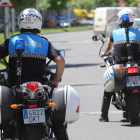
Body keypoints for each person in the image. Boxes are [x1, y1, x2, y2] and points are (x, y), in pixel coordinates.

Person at [0, 8, 68, 140]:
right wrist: (56, 80)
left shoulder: (11, 41)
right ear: (38, 23)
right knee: (56, 121)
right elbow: (60, 60)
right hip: (40, 88)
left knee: (7, 121)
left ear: (20, 23)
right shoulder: (44, 42)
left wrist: (1, 78)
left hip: (16, 87)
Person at [99, 8, 140, 122]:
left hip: (120, 65)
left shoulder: (114, 33)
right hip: (136, 64)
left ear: (120, 20)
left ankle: (104, 116)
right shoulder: (138, 32)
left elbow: (109, 47)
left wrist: (105, 54)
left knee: (108, 88)